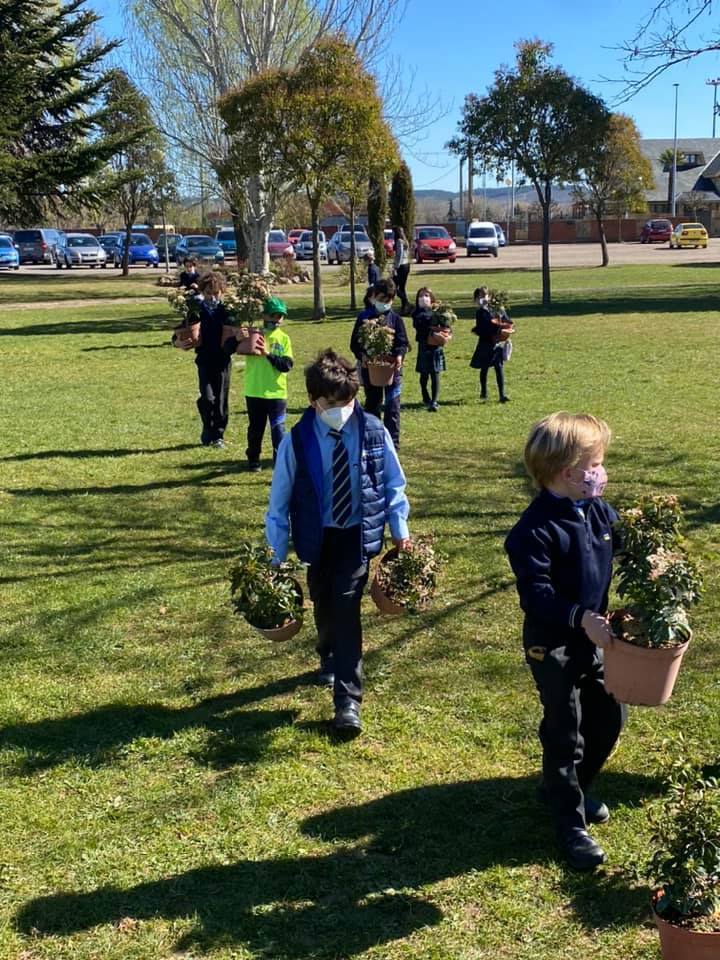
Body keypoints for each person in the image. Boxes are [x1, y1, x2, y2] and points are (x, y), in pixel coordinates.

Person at [504, 413, 627, 871]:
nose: (602, 472)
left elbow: (623, 543)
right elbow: (537, 595)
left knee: (610, 715)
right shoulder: (532, 531)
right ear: (567, 472)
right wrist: (580, 617)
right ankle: (571, 826)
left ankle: (571, 786)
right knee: (565, 728)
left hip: (593, 636)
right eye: (595, 464)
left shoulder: (596, 509)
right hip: (552, 644)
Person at [266, 349, 411, 735]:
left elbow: (393, 483)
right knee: (324, 602)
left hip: (355, 535)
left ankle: (348, 701)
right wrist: (274, 556)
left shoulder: (374, 431)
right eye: (332, 404)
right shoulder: (296, 442)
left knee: (347, 607)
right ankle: (327, 651)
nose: (342, 410)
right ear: (313, 400)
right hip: (317, 537)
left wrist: (401, 532)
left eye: (348, 402)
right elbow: (278, 502)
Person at [350, 277, 409, 449]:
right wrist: (363, 357)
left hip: (392, 370)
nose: (385, 303)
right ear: (374, 296)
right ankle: (373, 439)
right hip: (371, 369)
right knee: (372, 404)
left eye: (389, 300)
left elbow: (403, 342)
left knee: (392, 407)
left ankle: (392, 444)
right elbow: (354, 343)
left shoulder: (396, 319)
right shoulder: (364, 318)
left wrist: (399, 356)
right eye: (382, 299)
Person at [243, 296, 294, 472]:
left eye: (281, 316)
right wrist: (237, 337)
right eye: (273, 315)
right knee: (255, 429)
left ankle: (279, 462)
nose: (277, 320)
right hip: (254, 390)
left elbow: (286, 365)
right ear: (264, 315)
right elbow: (229, 348)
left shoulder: (284, 338)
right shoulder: (253, 334)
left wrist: (267, 354)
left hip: (276, 393)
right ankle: (253, 459)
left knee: (278, 429)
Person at [193, 271, 237, 448]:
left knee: (220, 399)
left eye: (216, 293)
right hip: (204, 359)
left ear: (222, 292)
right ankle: (207, 426)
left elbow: (234, 333)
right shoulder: (196, 310)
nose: (212, 297)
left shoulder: (227, 310)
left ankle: (218, 434)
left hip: (222, 360)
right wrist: (178, 340)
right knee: (207, 397)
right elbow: (184, 330)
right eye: (208, 293)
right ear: (202, 292)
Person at [470, 286, 512, 403]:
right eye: (481, 296)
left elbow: (507, 320)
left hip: (497, 343)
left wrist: (506, 326)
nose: (484, 298)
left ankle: (502, 395)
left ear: (490, 296)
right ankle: (484, 391)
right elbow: (482, 327)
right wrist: (493, 329)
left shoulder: (496, 309)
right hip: (485, 342)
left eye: (485, 295)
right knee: (484, 368)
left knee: (499, 367)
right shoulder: (480, 312)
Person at [411, 287, 447, 412]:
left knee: (435, 373)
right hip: (424, 346)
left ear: (431, 298)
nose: (424, 298)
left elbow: (445, 325)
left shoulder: (438, 311)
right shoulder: (417, 314)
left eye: (426, 295)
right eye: (421, 296)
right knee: (424, 374)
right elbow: (420, 324)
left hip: (436, 346)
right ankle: (425, 393)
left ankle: (434, 401)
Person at [392, 225, 411, 315]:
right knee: (401, 288)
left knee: (394, 286)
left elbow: (399, 255)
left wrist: (396, 267)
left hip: (401, 266)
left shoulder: (399, 241)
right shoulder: (405, 241)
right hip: (406, 265)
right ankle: (405, 307)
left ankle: (406, 303)